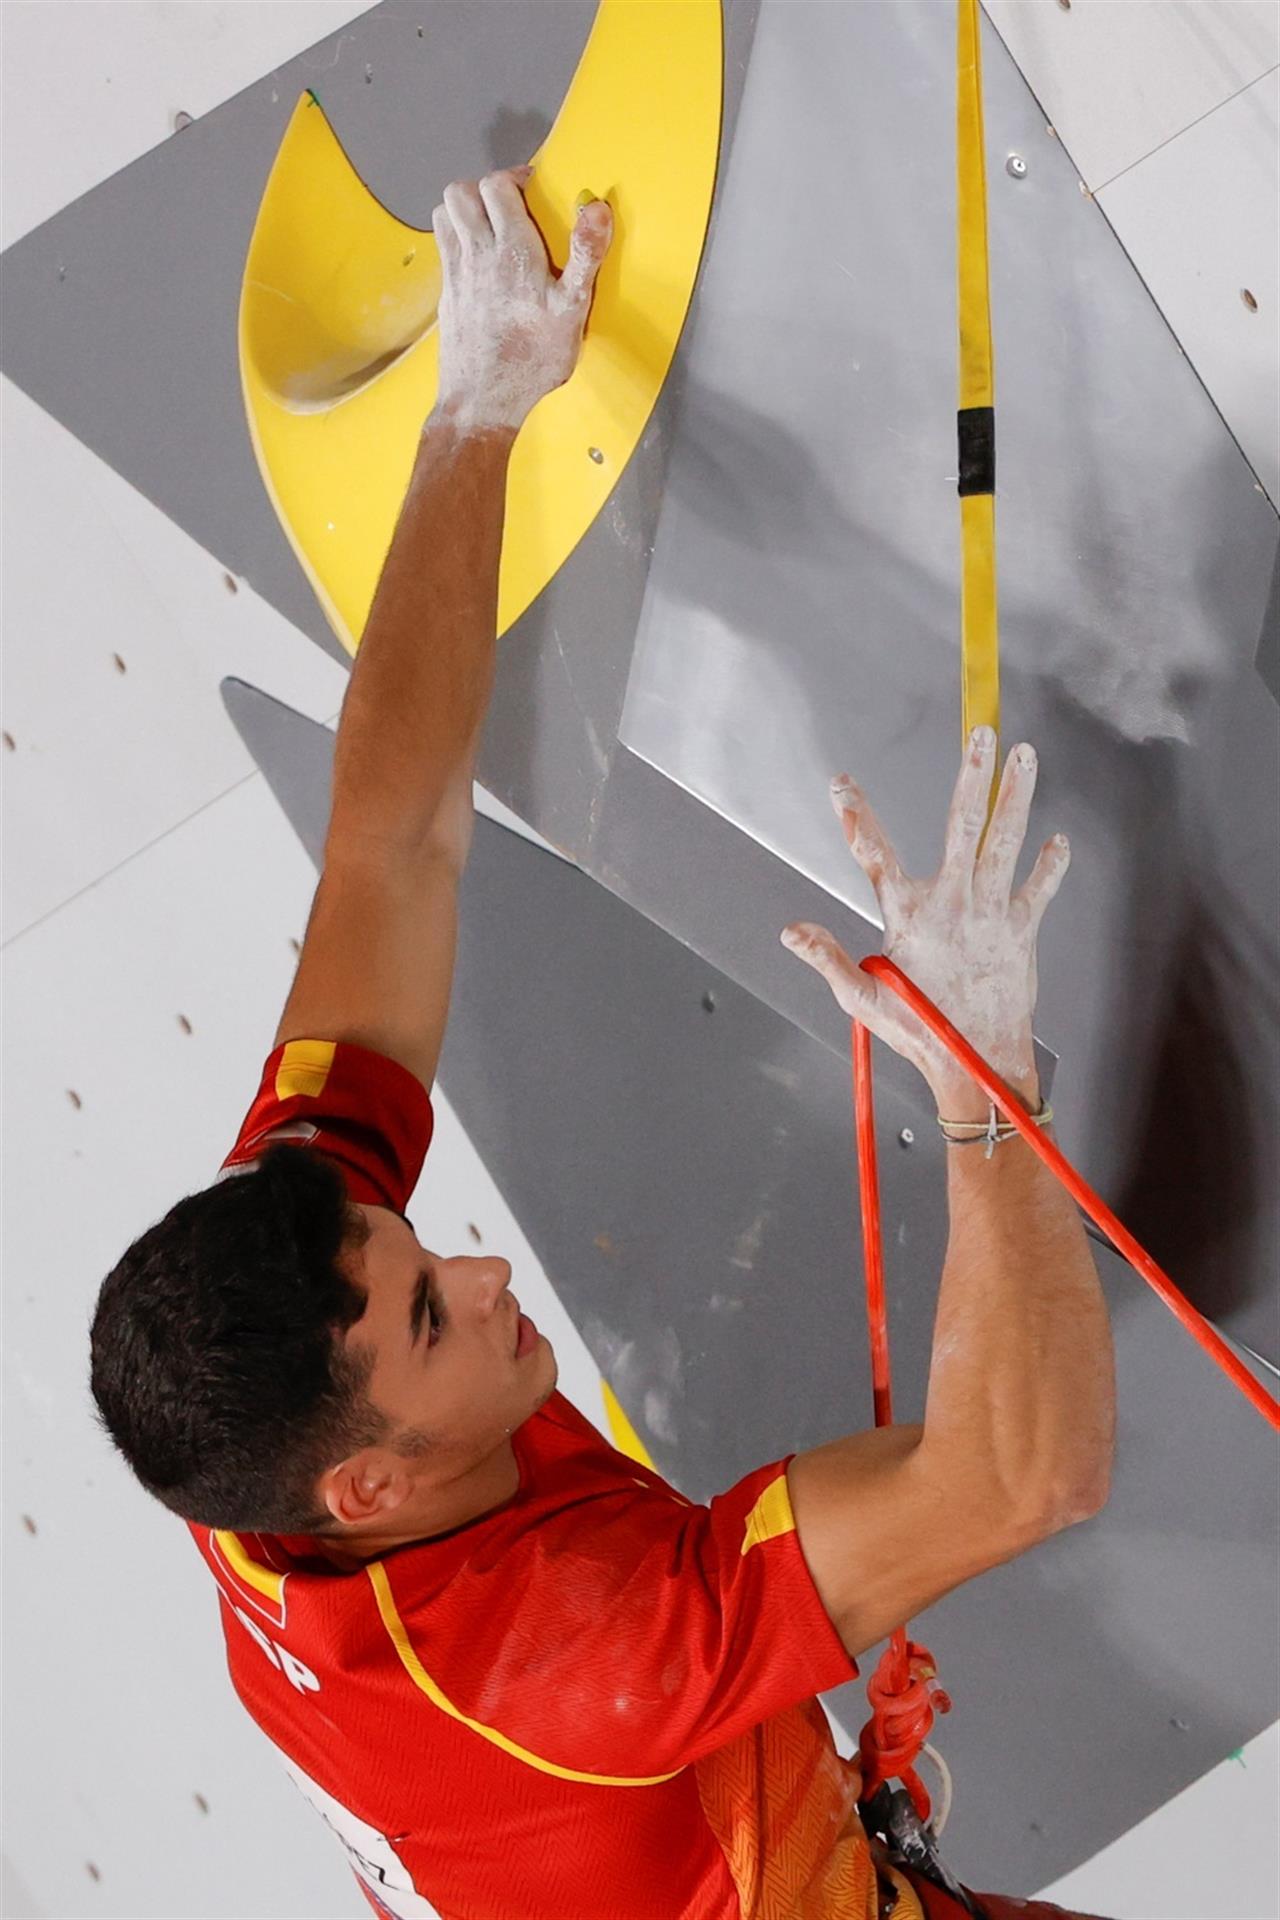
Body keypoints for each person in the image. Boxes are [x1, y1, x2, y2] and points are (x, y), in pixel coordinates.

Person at [89, 167, 1116, 1920]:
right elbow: (1022, 1476)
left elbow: (392, 842)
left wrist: (477, 413)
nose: (478, 1272)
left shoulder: (260, 1378)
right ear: (369, 1485)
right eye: (432, 1316)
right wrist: (984, 1097)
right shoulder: (568, 1660)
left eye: (418, 1251)